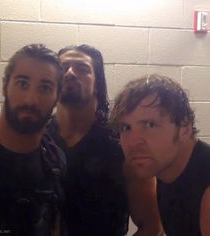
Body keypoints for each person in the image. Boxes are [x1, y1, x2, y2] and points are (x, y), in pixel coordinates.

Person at [46, 45, 163, 236]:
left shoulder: (124, 142)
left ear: (98, 83)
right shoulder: (36, 137)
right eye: (63, 67)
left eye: (82, 69)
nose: (69, 73)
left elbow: (152, 227)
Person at [0, 44, 66, 236]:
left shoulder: (55, 162)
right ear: (4, 85)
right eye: (22, 84)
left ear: (57, 97)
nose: (31, 100)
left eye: (45, 88)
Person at [110, 74, 210, 236]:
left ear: (184, 127)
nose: (134, 142)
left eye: (150, 125)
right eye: (126, 128)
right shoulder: (165, 169)